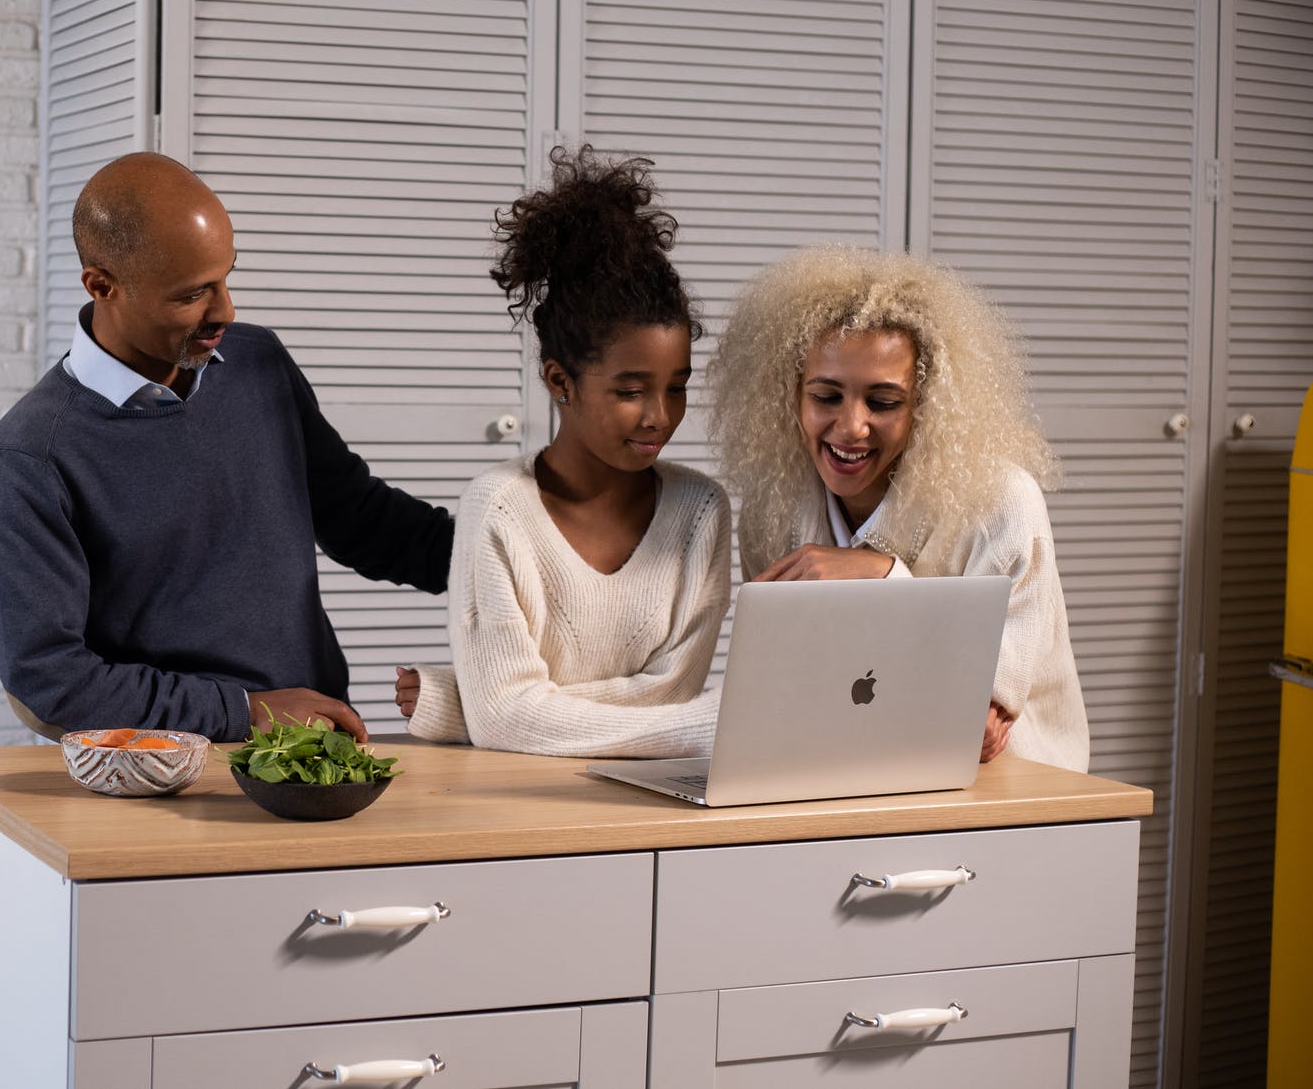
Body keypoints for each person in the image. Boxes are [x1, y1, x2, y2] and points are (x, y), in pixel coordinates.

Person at [0, 152, 454, 743]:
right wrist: (248, 711)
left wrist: (513, 556)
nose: (225, 310)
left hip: (319, 751)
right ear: (102, 285)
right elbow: (49, 678)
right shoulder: (31, 456)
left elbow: (360, 518)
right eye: (192, 294)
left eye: (227, 275)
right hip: (165, 772)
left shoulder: (257, 365)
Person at [397, 146, 729, 757]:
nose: (660, 416)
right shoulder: (497, 509)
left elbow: (668, 694)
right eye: (630, 390)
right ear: (560, 381)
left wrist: (474, 708)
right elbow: (676, 717)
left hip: (652, 803)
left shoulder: (701, 511)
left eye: (677, 387)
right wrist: (705, 725)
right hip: (518, 807)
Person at [705, 245, 1089, 771]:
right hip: (845, 776)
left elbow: (970, 729)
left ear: (924, 407)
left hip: (1015, 793)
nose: (851, 427)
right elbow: (786, 690)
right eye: (826, 396)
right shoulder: (772, 511)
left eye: (883, 403)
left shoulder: (1001, 504)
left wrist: (883, 575)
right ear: (789, 395)